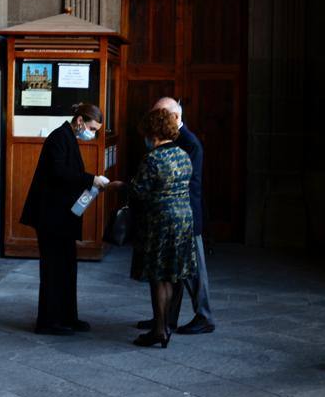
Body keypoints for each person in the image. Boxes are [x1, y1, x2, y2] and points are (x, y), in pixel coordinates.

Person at [20, 103, 109, 336]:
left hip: (62, 217)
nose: (93, 133)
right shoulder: (58, 138)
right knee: (53, 269)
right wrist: (92, 180)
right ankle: (49, 321)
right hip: (50, 217)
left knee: (67, 268)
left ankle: (68, 316)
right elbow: (60, 173)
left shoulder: (68, 137)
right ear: (80, 121)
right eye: (92, 128)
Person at [117, 108, 197, 348]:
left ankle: (159, 330)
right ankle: (165, 325)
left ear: (152, 131)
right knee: (171, 276)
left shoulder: (152, 158)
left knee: (157, 277)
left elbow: (139, 191)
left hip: (160, 221)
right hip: (183, 220)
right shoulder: (183, 155)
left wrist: (120, 185)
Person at [135, 98, 214, 335]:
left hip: (184, 215)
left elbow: (185, 183)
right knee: (174, 271)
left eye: (160, 115)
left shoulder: (189, 143)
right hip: (180, 214)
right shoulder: (177, 141)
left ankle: (204, 316)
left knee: (194, 272)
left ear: (174, 117)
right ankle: (165, 318)